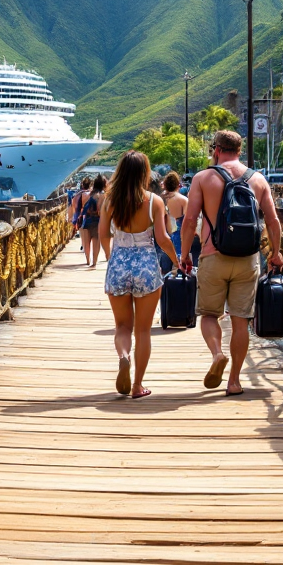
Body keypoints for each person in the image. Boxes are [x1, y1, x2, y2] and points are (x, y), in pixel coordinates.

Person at [180, 130, 283, 396]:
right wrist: (275, 253)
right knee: (240, 321)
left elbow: (190, 221)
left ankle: (217, 354)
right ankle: (234, 381)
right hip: (248, 259)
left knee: (210, 315)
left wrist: (184, 255)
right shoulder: (258, 179)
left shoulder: (203, 178)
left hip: (213, 255)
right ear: (240, 150)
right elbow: (272, 221)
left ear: (216, 149)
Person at [99, 152, 180, 399]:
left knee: (122, 326)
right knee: (143, 331)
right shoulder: (154, 201)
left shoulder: (109, 200)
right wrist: (177, 262)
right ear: (145, 173)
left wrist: (109, 257)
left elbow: (103, 234)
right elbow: (163, 239)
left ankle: (123, 357)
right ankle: (137, 385)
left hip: (119, 262)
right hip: (146, 264)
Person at [80, 174, 106, 268]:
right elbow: (101, 209)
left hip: (87, 219)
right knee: (96, 241)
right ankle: (94, 262)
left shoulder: (88, 194)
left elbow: (82, 207)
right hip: (98, 221)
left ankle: (87, 260)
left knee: (86, 242)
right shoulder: (102, 196)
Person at [72, 177, 92, 258]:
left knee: (82, 232)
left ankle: (83, 245)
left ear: (82, 185)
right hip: (89, 215)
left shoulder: (78, 195)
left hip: (80, 215)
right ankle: (87, 246)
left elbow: (74, 204)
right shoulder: (92, 194)